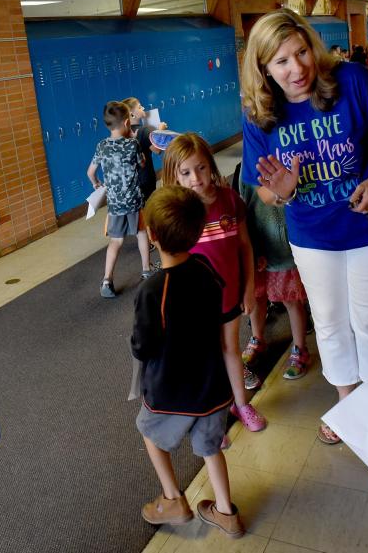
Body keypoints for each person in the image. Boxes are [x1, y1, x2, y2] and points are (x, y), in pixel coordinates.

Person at [239, 8, 368, 444]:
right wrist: (282, 189)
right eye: (281, 61)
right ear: (263, 68)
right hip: (314, 232)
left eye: (301, 52)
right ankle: (348, 402)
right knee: (331, 322)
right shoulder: (260, 113)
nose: (297, 68)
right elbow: (262, 191)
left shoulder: (351, 80)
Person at [132, 185, 244, 539]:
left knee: (149, 432)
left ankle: (173, 498)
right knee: (210, 449)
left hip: (171, 392)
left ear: (152, 235)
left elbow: (142, 345)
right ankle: (226, 512)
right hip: (213, 388)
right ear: (197, 233)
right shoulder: (206, 267)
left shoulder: (153, 289)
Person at [161, 133, 267, 432]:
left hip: (229, 296)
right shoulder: (177, 213)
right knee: (204, 358)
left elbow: (245, 246)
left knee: (231, 350)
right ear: (174, 176)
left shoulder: (230, 200)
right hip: (195, 305)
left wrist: (248, 287)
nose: (196, 178)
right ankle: (211, 417)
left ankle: (242, 404)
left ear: (211, 165)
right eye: (186, 172)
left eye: (201, 168)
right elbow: (171, 264)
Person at [233, 164, 312, 380]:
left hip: (283, 248)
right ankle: (257, 338)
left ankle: (300, 349)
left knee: (291, 301)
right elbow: (244, 204)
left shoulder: (287, 161)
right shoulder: (246, 168)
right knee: (257, 297)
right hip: (257, 244)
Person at [86, 100, 152, 298]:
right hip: (134, 200)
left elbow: (90, 172)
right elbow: (142, 163)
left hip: (115, 204)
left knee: (115, 241)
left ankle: (107, 280)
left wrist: (96, 183)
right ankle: (147, 271)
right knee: (141, 233)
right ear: (126, 123)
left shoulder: (102, 146)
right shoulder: (132, 144)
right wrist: (134, 140)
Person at [122, 97, 168, 204]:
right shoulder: (144, 130)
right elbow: (157, 150)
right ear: (132, 114)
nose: (143, 108)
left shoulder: (123, 133)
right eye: (139, 107)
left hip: (131, 181)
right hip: (145, 178)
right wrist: (160, 130)